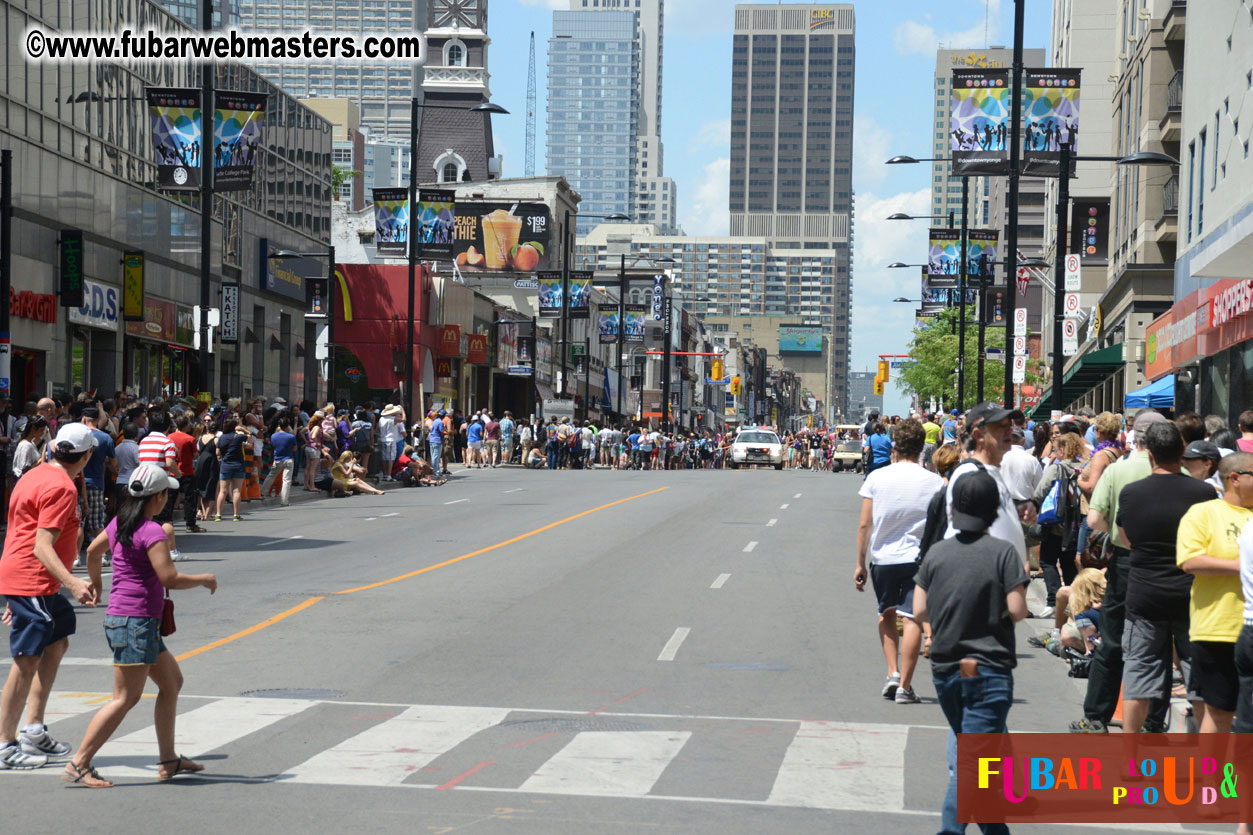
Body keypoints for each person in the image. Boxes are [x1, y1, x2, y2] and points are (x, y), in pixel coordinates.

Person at [65, 463, 217, 787]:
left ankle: (168, 760)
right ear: (159, 497)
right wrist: (204, 579)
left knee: (172, 682)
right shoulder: (152, 531)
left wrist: (98, 583)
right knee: (125, 697)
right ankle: (79, 762)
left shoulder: (121, 522)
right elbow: (169, 578)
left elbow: (93, 552)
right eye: (167, 494)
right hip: (135, 622)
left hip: (131, 620)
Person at [914, 469, 1028, 835]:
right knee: (973, 765)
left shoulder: (936, 554)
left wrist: (939, 625)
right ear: (994, 510)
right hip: (990, 669)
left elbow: (918, 610)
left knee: (980, 762)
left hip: (946, 670)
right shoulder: (1003, 553)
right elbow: (1018, 610)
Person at [0, 423, 99, 769]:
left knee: (57, 641)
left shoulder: (35, 474)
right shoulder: (61, 488)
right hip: (34, 577)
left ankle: (33, 729)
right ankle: (4, 744)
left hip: (30, 581)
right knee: (27, 658)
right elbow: (42, 546)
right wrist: (72, 582)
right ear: (86, 456)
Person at [1114, 421, 1214, 734]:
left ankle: (1131, 759)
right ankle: (1209, 764)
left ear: (1150, 455)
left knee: (1138, 676)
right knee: (1198, 679)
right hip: (1193, 597)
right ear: (1182, 452)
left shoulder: (1132, 493)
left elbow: (1125, 537)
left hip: (1145, 595)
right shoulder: (1204, 492)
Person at [1071, 409, 1164, 734]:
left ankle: (1096, 716)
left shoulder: (1118, 469)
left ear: (1132, 433)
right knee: (1158, 640)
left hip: (1125, 560)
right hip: (1167, 563)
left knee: (1111, 639)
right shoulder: (1175, 471)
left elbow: (1094, 521)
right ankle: (1154, 719)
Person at [854, 418, 943, 705]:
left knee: (886, 614)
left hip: (883, 559)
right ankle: (905, 685)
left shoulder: (877, 478)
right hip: (919, 559)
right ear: (921, 448)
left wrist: (859, 563)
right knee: (913, 617)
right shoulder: (934, 482)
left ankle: (892, 672)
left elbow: (864, 525)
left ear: (894, 445)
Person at [1176, 451, 1253, 733]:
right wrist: (1244, 566)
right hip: (1217, 626)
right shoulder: (1204, 513)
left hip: (1249, 629)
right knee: (1219, 711)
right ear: (1235, 478)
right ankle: (1211, 776)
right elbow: (1191, 561)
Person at [944, 403, 1030, 572]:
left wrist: (1017, 510)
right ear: (978, 435)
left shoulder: (992, 470)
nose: (1009, 431)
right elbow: (961, 539)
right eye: (1000, 426)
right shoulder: (970, 475)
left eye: (1009, 425)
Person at [1031, 432, 1085, 617]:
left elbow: (1040, 492)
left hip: (1056, 522)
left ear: (1062, 450)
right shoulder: (1085, 467)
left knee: (1047, 561)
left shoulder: (1056, 469)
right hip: (1077, 524)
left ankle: (1053, 601)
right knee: (1068, 563)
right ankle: (1071, 600)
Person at [137, 411, 181, 561]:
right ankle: (172, 551)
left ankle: (145, 549)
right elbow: (169, 463)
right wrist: (178, 473)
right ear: (168, 426)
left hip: (143, 481)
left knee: (146, 517)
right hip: (160, 482)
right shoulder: (167, 442)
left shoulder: (143, 441)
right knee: (166, 519)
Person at [79, 408, 117, 549]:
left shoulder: (78, 435)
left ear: (84, 419)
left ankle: (75, 556)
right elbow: (114, 462)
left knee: (78, 522)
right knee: (97, 522)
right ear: (97, 421)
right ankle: (101, 554)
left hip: (77, 483)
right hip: (96, 483)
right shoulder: (106, 438)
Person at [168, 414, 202, 534]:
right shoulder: (190, 439)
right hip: (187, 472)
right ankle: (190, 524)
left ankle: (167, 522)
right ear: (186, 425)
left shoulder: (169, 437)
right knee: (189, 499)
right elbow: (195, 455)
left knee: (170, 499)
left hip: (172, 472)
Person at [214, 418, 248, 522]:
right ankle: (236, 515)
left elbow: (217, 453)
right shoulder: (239, 436)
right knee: (236, 490)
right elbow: (250, 437)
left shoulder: (222, 437)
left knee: (222, 491)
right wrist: (243, 429)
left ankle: (218, 514)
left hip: (225, 466)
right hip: (238, 466)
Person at [261, 418, 296, 506]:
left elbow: (273, 447)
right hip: (288, 458)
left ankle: (262, 492)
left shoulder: (273, 436)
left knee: (271, 476)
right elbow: (294, 448)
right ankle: (284, 501)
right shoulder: (291, 437)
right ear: (287, 426)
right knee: (286, 480)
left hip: (277, 459)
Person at [10, 416, 48, 481]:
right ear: (33, 428)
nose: (42, 433)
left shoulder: (31, 443)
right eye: (41, 430)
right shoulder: (26, 445)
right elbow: (24, 470)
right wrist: (41, 460)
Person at [428, 409, 449, 476]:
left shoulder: (435, 421)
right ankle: (436, 471)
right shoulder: (440, 422)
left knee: (433, 456)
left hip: (432, 439)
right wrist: (443, 440)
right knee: (436, 457)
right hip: (437, 440)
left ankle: (435, 470)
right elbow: (441, 432)